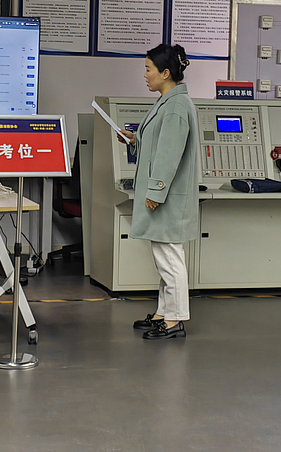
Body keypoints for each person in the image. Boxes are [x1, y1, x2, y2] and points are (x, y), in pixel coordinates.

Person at [119, 43, 199, 340]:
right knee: (163, 257)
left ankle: (175, 320)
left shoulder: (176, 107)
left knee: (170, 258)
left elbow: (168, 156)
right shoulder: (168, 102)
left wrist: (156, 191)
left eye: (148, 69)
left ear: (165, 73)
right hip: (165, 195)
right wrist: (134, 140)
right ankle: (164, 312)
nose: (145, 75)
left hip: (167, 197)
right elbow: (159, 144)